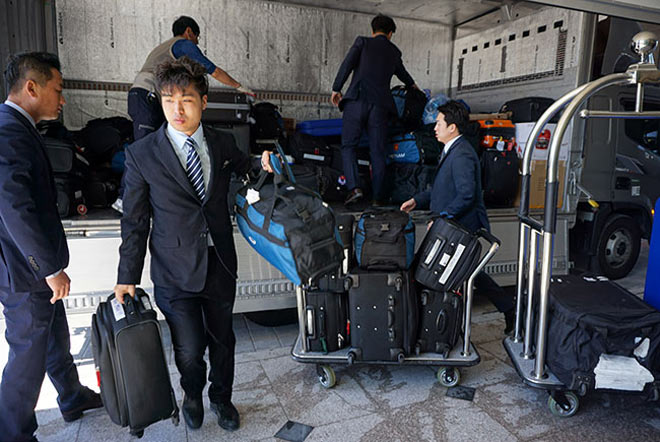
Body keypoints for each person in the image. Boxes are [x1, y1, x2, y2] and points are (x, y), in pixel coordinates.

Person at [114, 56, 270, 432]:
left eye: (185, 99)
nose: (176, 109)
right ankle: (192, 395)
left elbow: (245, 166)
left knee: (223, 341)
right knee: (188, 348)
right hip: (174, 268)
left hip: (219, 263)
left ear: (202, 101)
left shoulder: (222, 142)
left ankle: (222, 398)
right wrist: (126, 275)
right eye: (168, 100)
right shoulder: (142, 154)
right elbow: (135, 220)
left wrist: (261, 165)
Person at [0, 52, 102, 441]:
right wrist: (48, 268)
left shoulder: (19, 127)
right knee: (26, 357)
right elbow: (14, 207)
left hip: (32, 271)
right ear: (32, 87)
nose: (62, 100)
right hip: (25, 274)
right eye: (57, 90)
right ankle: (13, 433)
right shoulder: (8, 132)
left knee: (55, 334)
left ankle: (72, 396)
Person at [113, 15, 255, 213]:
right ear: (189, 31)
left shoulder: (166, 49)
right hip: (146, 96)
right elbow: (211, 69)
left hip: (150, 97)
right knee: (142, 149)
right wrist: (239, 87)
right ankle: (124, 198)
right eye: (197, 37)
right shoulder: (182, 44)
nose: (196, 42)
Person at [400, 101, 515, 333]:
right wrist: (417, 200)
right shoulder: (452, 149)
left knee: (454, 273)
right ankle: (508, 309)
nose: (435, 127)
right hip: (452, 225)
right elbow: (442, 188)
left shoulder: (462, 154)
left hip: (460, 227)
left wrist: (442, 218)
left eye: (439, 123)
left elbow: (466, 194)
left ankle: (452, 328)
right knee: (469, 274)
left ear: (452, 127)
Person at [331, 14, 417, 205]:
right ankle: (378, 197)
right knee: (378, 151)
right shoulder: (394, 52)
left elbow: (347, 65)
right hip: (380, 108)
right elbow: (403, 74)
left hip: (356, 102)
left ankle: (354, 188)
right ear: (390, 33)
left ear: (373, 30)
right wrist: (413, 85)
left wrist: (336, 88)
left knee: (349, 146)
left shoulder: (362, 43)